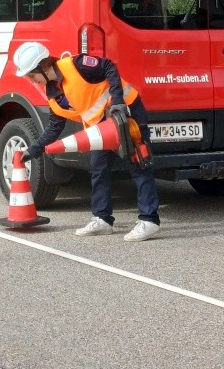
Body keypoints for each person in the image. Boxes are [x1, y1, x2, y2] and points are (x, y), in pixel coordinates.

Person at [14, 41, 162, 242]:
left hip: (126, 113)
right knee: (98, 169)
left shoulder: (77, 64)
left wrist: (118, 101)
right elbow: (54, 126)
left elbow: (109, 66)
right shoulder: (54, 96)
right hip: (100, 128)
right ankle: (102, 220)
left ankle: (149, 220)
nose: (32, 81)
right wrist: (33, 150)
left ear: (43, 65)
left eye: (32, 75)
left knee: (138, 162)